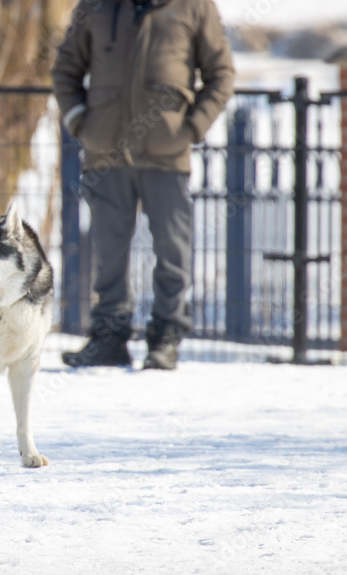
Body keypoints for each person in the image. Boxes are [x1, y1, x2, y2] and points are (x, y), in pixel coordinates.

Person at [52, 0, 234, 370]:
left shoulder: (194, 7)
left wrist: (192, 127)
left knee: (172, 248)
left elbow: (221, 74)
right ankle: (109, 337)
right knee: (108, 252)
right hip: (106, 150)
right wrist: (80, 122)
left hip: (166, 151)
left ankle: (165, 338)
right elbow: (65, 69)